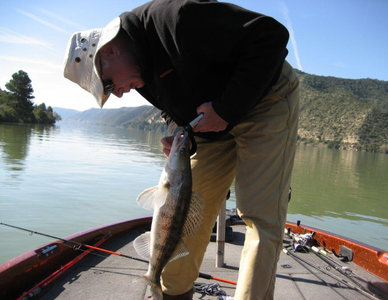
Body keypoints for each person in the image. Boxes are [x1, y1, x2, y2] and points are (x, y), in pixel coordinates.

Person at [63, 0, 299, 299]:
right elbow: (171, 107)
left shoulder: (178, 18)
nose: (118, 94)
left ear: (109, 50)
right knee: (188, 210)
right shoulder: (137, 72)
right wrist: (177, 130)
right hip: (209, 125)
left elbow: (271, 37)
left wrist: (226, 109)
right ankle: (171, 294)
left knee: (259, 215)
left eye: (108, 84)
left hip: (266, 99)